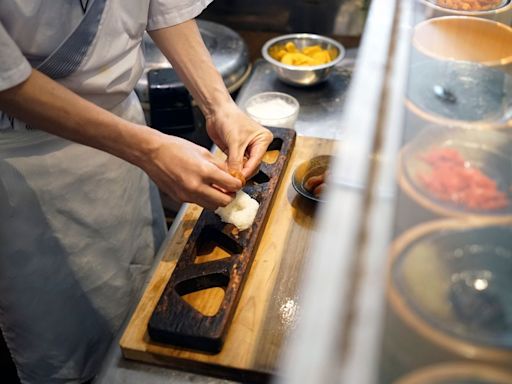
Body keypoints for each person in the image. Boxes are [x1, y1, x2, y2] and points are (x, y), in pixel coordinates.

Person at [0, 1, 273, 383]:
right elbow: (7, 82)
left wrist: (219, 106)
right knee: (67, 340)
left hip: (124, 132)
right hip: (27, 161)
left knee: (142, 297)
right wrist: (149, 150)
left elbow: (161, 6)